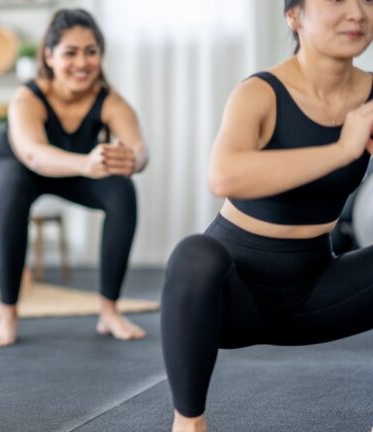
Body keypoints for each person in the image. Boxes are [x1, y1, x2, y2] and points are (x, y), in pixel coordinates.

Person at [161, 1, 373, 431]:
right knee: (194, 255)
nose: (356, 12)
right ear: (294, 17)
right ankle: (188, 424)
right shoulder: (260, 92)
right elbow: (224, 176)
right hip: (231, 302)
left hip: (316, 291)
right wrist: (342, 150)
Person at [0, 8, 149, 347]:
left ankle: (109, 311)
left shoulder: (109, 100)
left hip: (74, 168)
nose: (82, 62)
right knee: (13, 195)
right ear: (49, 55)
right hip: (16, 166)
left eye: (91, 51)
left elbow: (140, 149)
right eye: (70, 52)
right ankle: (7, 315)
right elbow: (32, 154)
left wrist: (131, 160)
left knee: (122, 191)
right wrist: (87, 165)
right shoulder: (29, 96)